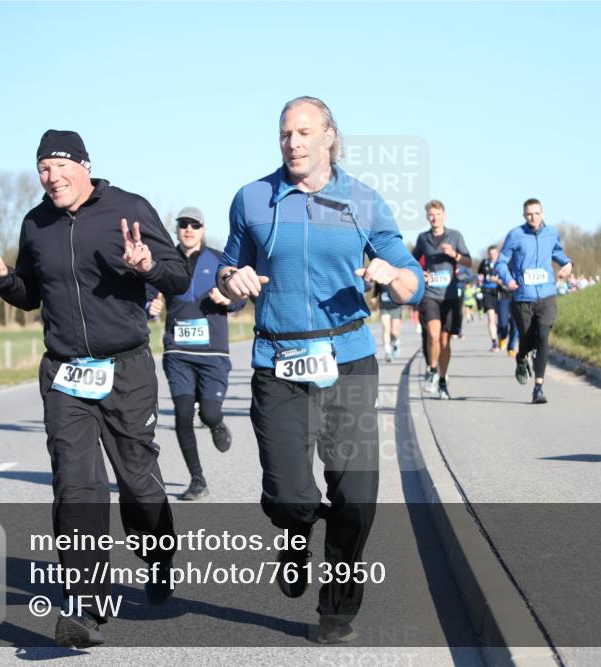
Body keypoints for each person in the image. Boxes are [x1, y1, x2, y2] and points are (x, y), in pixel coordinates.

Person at [0, 130, 190, 648]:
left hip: (127, 369)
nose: (51, 176)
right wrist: (3, 278)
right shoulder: (35, 223)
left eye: (59, 166)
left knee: (138, 481)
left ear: (84, 166)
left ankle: (157, 555)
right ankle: (87, 606)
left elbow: (178, 277)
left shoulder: (128, 208)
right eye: (42, 168)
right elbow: (29, 294)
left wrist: (148, 267)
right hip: (65, 373)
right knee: (76, 486)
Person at [216, 96, 423, 644]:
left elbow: (410, 280)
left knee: (356, 494)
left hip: (348, 360)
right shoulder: (252, 199)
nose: (294, 143)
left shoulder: (363, 201)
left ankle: (336, 610)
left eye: (305, 132)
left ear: (330, 136)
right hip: (277, 363)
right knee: (289, 494)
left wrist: (391, 274)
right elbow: (227, 271)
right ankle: (295, 530)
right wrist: (230, 283)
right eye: (286, 133)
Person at [147, 206, 244, 502]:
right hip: (177, 352)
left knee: (210, 411)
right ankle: (197, 479)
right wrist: (149, 308)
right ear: (176, 229)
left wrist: (227, 299)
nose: (188, 229)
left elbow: (240, 299)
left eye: (194, 225)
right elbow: (147, 296)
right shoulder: (163, 262)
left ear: (202, 229)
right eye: (183, 224)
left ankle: (215, 422)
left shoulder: (218, 261)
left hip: (213, 353)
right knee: (183, 414)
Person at [495, 198, 573, 404]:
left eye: (536, 213)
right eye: (529, 214)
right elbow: (501, 263)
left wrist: (567, 264)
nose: (533, 217)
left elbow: (557, 252)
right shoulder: (515, 235)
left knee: (543, 336)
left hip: (547, 294)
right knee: (528, 340)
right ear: (524, 215)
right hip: (523, 296)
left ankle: (538, 387)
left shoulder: (552, 232)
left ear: (543, 213)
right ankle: (521, 359)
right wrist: (509, 280)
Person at [412, 200, 472, 399]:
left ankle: (443, 380)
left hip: (450, 295)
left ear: (444, 215)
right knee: (433, 334)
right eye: (431, 214)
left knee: (446, 341)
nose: (434, 218)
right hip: (430, 294)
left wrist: (454, 254)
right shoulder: (423, 239)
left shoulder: (455, 236)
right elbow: (412, 263)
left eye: (437, 214)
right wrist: (421, 273)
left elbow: (469, 262)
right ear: (427, 217)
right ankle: (431, 369)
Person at [371, 281, 403, 363]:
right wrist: (374, 298)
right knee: (386, 329)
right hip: (383, 307)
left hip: (395, 306)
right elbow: (376, 290)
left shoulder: (394, 275)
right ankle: (388, 352)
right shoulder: (379, 279)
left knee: (394, 331)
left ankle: (396, 343)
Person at [477, 246, 500, 351]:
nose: (492, 255)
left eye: (494, 253)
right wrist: (481, 280)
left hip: (500, 292)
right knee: (491, 318)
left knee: (501, 319)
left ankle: (502, 337)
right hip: (487, 291)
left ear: (497, 253)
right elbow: (479, 275)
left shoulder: (502, 263)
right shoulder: (484, 263)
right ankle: (494, 342)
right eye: (491, 254)